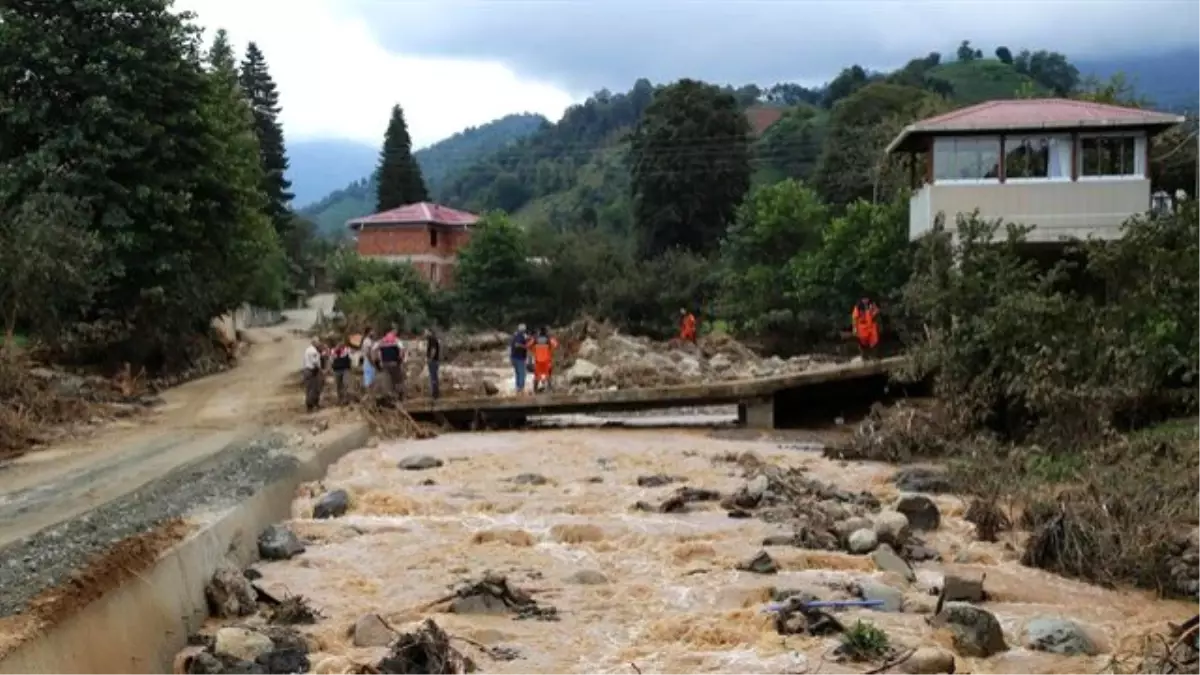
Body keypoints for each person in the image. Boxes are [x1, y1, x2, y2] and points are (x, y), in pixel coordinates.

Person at [375, 326, 405, 400]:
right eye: (394, 331)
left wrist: (376, 361)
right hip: (394, 363)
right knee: (398, 379)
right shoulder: (396, 340)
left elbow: (374, 350)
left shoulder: (381, 341)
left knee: (388, 380)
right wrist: (399, 360)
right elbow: (402, 350)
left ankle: (390, 396)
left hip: (385, 363)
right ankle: (399, 395)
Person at [527, 326, 559, 394]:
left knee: (537, 375)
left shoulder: (535, 339)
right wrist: (551, 349)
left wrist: (533, 350)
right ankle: (550, 388)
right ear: (546, 332)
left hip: (538, 360)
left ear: (539, 332)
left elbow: (528, 345)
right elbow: (556, 345)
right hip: (547, 360)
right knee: (548, 374)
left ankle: (535, 389)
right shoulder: (549, 339)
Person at [302, 337, 323, 412]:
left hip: (306, 370)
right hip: (311, 371)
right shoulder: (313, 351)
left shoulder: (307, 349)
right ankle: (311, 406)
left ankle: (310, 405)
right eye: (318, 342)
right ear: (314, 343)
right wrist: (320, 370)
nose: (319, 343)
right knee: (313, 389)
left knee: (309, 389)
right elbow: (315, 362)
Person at [330, 339, 353, 405]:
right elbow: (331, 360)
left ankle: (345, 399)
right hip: (337, 370)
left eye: (342, 343)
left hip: (345, 369)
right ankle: (340, 399)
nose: (340, 344)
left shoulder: (347, 350)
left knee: (345, 384)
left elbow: (351, 358)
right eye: (339, 343)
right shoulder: (333, 351)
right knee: (338, 385)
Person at [510, 323, 529, 394]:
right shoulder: (520, 336)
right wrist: (525, 346)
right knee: (522, 373)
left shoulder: (515, 335)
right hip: (519, 358)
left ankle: (518, 388)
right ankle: (521, 388)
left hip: (514, 357)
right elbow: (517, 345)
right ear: (523, 330)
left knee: (518, 373)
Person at [425, 328, 442, 400]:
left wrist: (430, 359)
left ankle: (435, 395)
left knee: (433, 377)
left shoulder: (432, 340)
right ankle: (435, 394)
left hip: (433, 361)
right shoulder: (432, 339)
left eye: (426, 332)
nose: (425, 333)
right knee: (434, 377)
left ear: (430, 332)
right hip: (434, 361)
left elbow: (433, 350)